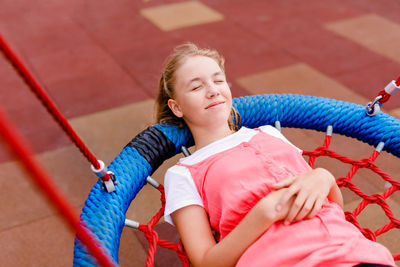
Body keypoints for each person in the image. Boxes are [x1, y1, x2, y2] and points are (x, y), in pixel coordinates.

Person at [155, 43, 395, 267]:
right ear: (177, 107)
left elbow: (327, 207)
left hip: (353, 250)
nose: (212, 91)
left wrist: (323, 178)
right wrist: (265, 212)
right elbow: (206, 261)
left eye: (219, 81)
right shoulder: (184, 173)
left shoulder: (269, 133)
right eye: (197, 86)